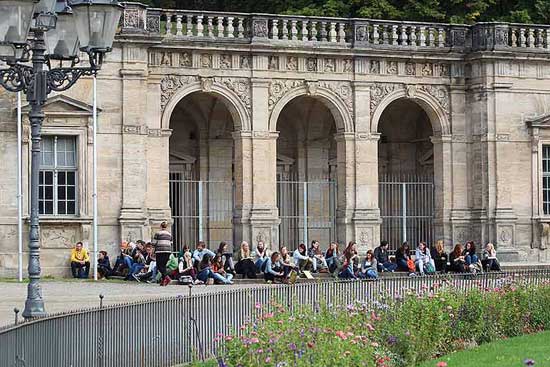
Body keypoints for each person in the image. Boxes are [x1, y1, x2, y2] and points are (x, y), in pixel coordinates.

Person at [153, 221, 173, 286]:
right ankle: (163, 280)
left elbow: (154, 243)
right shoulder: (169, 234)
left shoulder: (158, 233)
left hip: (160, 251)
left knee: (159, 265)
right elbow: (171, 243)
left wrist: (153, 249)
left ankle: (167, 278)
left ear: (161, 226)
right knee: (163, 265)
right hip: (168, 251)